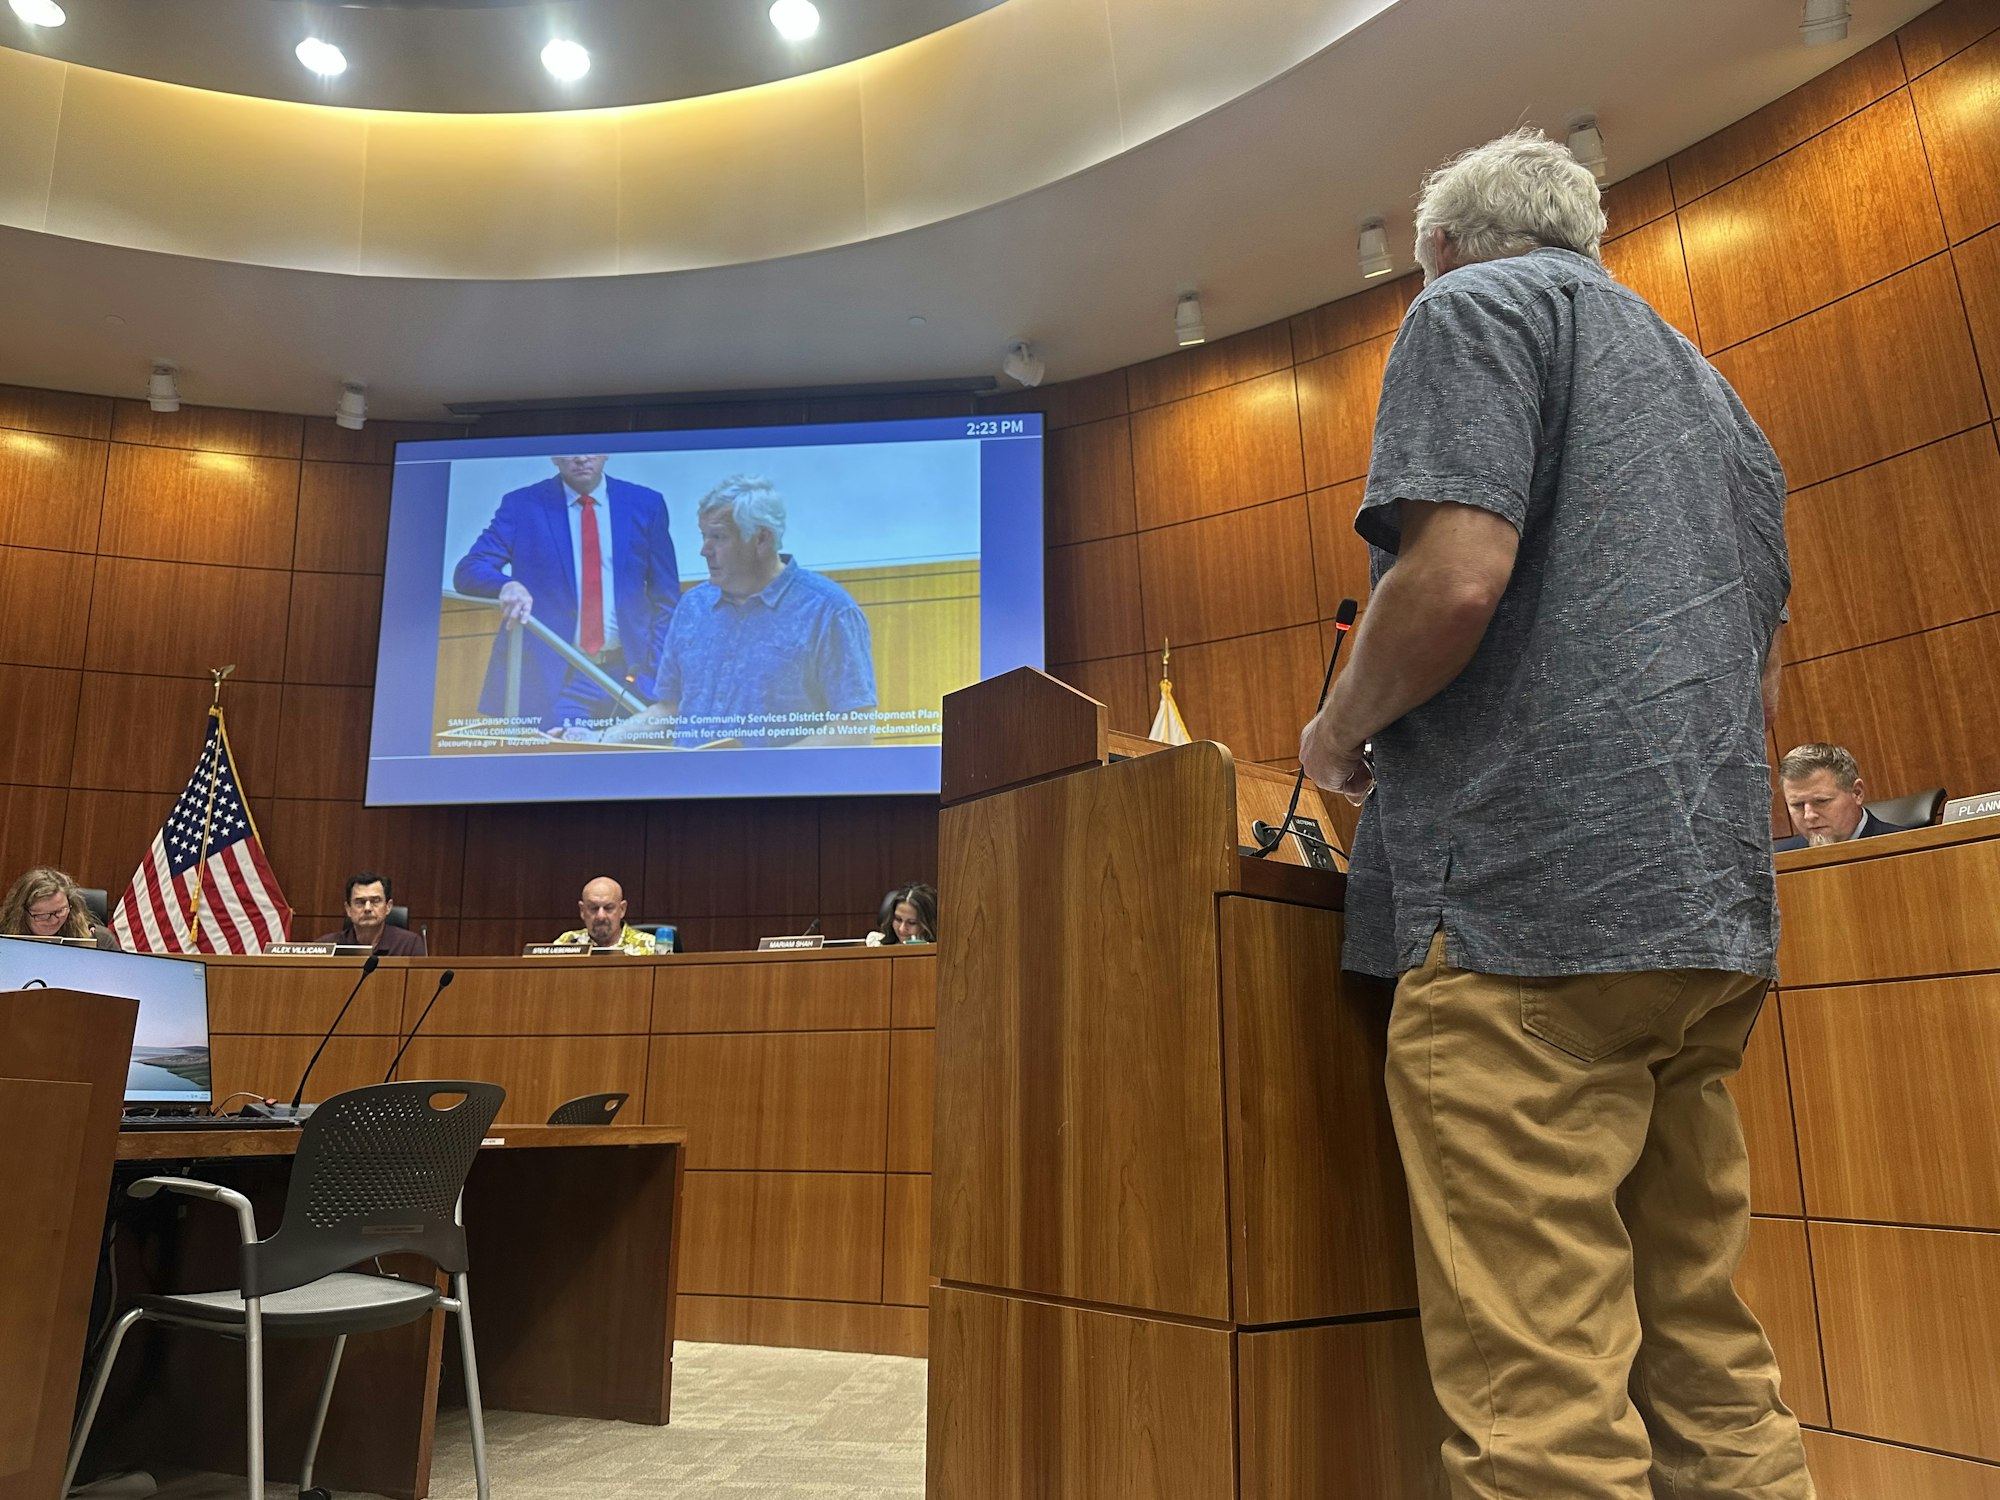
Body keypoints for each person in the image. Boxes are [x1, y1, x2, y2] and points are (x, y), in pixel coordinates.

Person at [1297, 130, 1810, 1499]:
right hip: (1700, 926)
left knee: (1542, 1414)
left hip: (1525, 915)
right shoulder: (1721, 404)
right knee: (1708, 1366)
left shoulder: (1469, 308)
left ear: (1440, 248)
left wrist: (1337, 732)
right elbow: (1759, 684)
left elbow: (1454, 577)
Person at [619, 476, 876, 748]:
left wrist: (765, 768)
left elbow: (856, 728)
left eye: (718, 537)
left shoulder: (828, 610)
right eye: (704, 536)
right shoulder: (693, 606)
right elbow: (671, 708)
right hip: (692, 775)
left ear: (762, 539)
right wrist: (603, 740)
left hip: (780, 777)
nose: (704, 550)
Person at [452, 454, 682, 732]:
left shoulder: (645, 503)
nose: (581, 458)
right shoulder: (523, 505)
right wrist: (505, 584)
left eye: (591, 449)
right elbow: (470, 568)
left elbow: (667, 599)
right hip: (553, 676)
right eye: (571, 450)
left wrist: (652, 676)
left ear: (606, 453)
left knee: (627, 757)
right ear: (554, 457)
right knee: (554, 756)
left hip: (628, 673)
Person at [1773, 743, 1917, 850]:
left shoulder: (1909, 848)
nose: (1809, 816)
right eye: (1797, 805)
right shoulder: (1778, 861)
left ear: (1857, 793)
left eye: (1821, 801)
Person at [0, 867, 120, 950]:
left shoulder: (101, 939)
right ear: (22, 913)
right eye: (42, 915)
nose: (53, 920)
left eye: (60, 911)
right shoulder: (2, 935)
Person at [313, 871, 427, 955]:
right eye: (360, 902)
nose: (367, 908)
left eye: (375, 901)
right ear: (348, 909)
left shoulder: (409, 945)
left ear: (388, 907)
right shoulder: (326, 946)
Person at [552, 876, 657, 954]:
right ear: (582, 911)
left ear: (622, 909)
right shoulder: (566, 943)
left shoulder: (651, 947)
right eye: (594, 908)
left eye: (608, 908)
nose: (601, 916)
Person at [868, 882, 937, 945]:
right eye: (898, 919)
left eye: (911, 923)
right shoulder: (876, 943)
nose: (901, 929)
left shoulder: (939, 950)